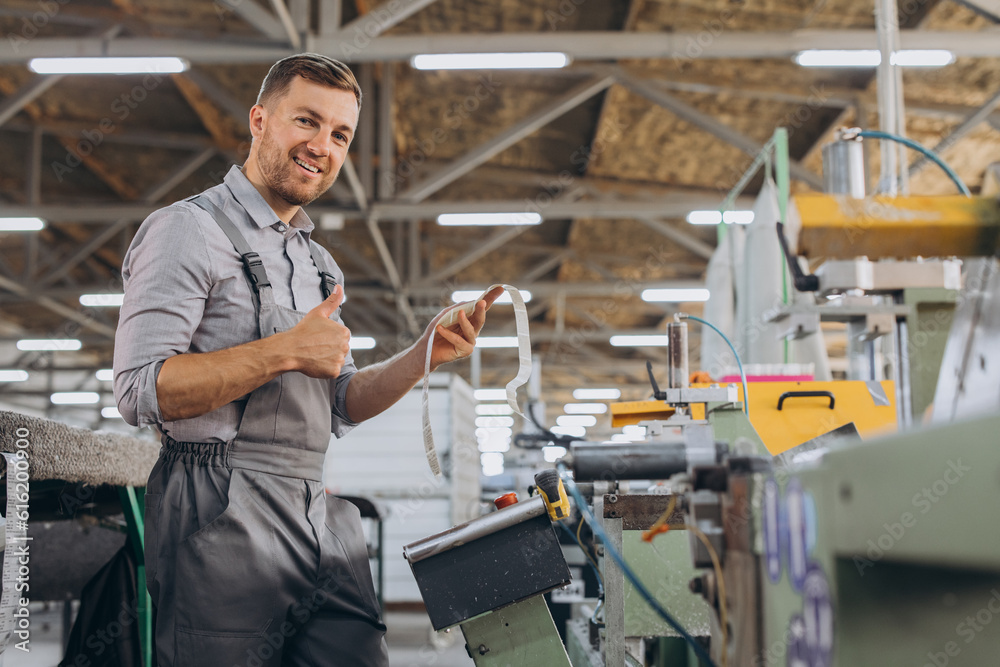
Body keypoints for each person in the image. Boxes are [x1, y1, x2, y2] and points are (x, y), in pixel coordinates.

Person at [113, 53, 502, 667]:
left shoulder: (319, 265)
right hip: (216, 504)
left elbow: (341, 401)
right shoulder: (187, 230)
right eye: (307, 121)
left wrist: (424, 355)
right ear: (260, 120)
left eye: (340, 134)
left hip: (315, 505)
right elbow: (140, 389)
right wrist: (282, 351)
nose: (322, 145)